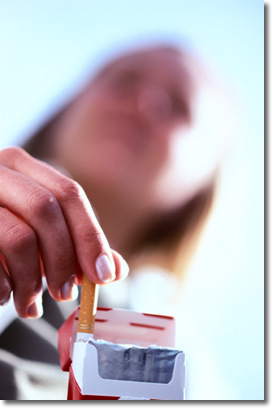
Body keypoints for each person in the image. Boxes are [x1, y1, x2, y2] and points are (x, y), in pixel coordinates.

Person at [0, 41, 232, 399]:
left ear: (200, 191)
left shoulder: (199, 384)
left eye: (179, 106)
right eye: (124, 79)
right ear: (64, 113)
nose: (143, 104)